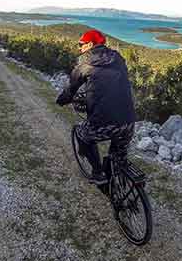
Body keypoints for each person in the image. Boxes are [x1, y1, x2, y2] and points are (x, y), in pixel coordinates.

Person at [56, 29, 136, 185]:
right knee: (117, 157)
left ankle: (98, 173)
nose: (79, 48)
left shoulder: (84, 63)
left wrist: (62, 100)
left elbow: (71, 89)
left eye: (81, 44)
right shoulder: (118, 58)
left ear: (90, 44)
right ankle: (119, 185)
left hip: (103, 122)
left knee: (82, 134)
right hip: (129, 121)